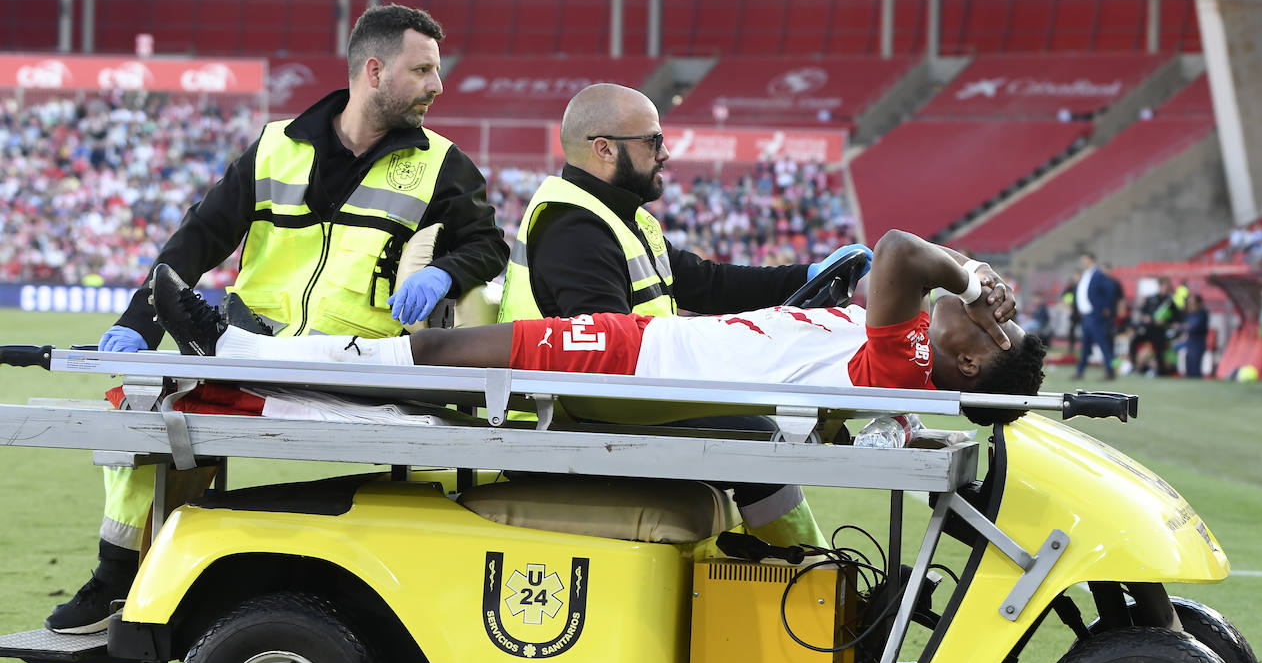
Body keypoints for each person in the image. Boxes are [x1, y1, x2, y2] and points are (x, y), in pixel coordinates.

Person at [46, 3, 510, 634]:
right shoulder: (272, 147)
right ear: (374, 71)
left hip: (355, 369)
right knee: (142, 405)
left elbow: (489, 244)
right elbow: (198, 238)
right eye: (423, 69)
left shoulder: (442, 162)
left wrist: (444, 272)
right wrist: (140, 321)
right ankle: (114, 579)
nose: (438, 85)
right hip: (255, 351)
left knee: (189, 388)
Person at [150, 231, 1045, 428]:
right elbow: (895, 276)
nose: (989, 305)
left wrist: (970, 273)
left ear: (972, 354)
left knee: (436, 358)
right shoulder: (911, 354)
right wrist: (960, 288)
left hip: (652, 361)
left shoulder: (905, 362)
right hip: (658, 354)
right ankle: (251, 353)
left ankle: (240, 355)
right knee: (436, 379)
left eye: (991, 322)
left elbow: (897, 254)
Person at [499, 82, 873, 550]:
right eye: (653, 141)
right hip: (569, 420)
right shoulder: (573, 227)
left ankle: (784, 566)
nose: (666, 153)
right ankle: (807, 563)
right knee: (755, 434)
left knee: (754, 416)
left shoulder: (624, 218)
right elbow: (611, 351)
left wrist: (810, 275)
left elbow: (708, 283)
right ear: (604, 149)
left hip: (616, 401)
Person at [1073, 252, 1121, 381]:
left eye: (1084, 260)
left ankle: (1110, 371)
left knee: (1102, 344)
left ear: (1091, 260)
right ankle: (1080, 371)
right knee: (1086, 345)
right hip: (1087, 316)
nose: (1082, 262)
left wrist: (1105, 308)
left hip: (1094, 315)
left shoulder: (1098, 274)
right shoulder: (1087, 274)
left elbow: (1110, 290)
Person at [1180, 293, 1211, 378]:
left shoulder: (1202, 313)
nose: (1190, 305)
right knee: (1189, 363)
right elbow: (1184, 326)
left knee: (1195, 367)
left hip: (1198, 344)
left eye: (1192, 303)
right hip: (1190, 343)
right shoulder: (1190, 314)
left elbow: (1194, 326)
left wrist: (1186, 326)